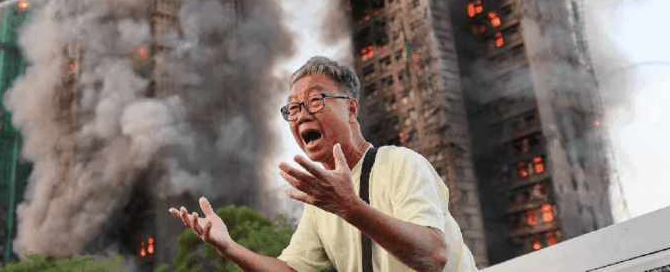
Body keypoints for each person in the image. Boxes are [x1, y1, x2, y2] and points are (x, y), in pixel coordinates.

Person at [171, 56, 479, 272]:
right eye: (292, 108)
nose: (301, 114)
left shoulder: (401, 163)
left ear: (351, 109)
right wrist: (229, 247)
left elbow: (434, 256)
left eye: (315, 101)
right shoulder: (322, 203)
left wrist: (350, 207)